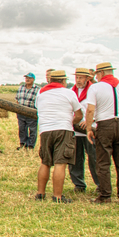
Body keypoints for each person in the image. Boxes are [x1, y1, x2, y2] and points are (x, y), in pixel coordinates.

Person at [83, 62, 119, 204]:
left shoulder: (95, 87)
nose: (96, 77)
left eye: (96, 74)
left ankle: (105, 196)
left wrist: (89, 128)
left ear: (101, 73)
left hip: (105, 124)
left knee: (103, 162)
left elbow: (90, 109)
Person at [35, 70, 83, 203]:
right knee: (60, 163)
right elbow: (79, 115)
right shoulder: (69, 93)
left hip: (45, 130)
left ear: (50, 81)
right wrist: (71, 122)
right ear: (62, 81)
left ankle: (40, 193)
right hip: (63, 129)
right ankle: (57, 196)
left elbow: (38, 108)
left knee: (45, 162)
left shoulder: (41, 93)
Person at [69, 68, 100, 194]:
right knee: (75, 158)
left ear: (88, 78)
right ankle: (79, 184)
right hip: (75, 130)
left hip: (90, 129)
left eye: (81, 78)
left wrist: (89, 121)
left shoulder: (95, 90)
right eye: (77, 78)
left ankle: (100, 184)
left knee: (94, 157)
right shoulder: (72, 91)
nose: (78, 80)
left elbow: (99, 108)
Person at [15, 72, 39, 150]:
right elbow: (17, 99)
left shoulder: (37, 89)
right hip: (21, 112)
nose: (27, 79)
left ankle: (31, 146)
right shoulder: (21, 88)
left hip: (31, 112)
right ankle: (23, 144)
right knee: (22, 129)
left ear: (33, 79)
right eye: (26, 78)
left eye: (29, 78)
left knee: (32, 130)